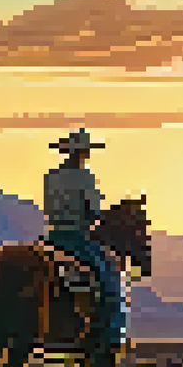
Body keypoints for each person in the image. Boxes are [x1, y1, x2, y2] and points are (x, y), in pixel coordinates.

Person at [44, 128, 127, 348]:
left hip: (52, 235)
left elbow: (48, 208)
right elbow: (93, 211)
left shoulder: (51, 176)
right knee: (110, 276)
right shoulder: (85, 177)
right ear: (82, 153)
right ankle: (112, 331)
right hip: (76, 236)